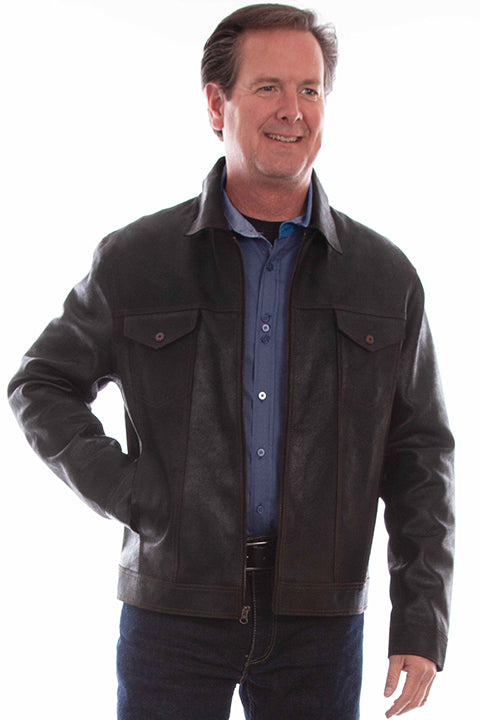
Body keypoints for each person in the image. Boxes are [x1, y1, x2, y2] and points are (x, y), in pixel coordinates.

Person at [8, 4, 454, 719]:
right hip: (173, 616)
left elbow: (420, 453)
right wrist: (137, 495)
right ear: (218, 104)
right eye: (268, 87)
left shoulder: (384, 278)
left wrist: (421, 620)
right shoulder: (137, 261)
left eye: (309, 90)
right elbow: (41, 383)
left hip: (321, 624)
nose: (292, 110)